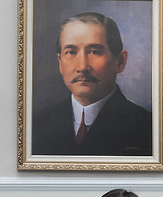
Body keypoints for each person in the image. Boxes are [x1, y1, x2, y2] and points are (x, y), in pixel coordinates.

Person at [32, 12, 153, 157]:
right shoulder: (36, 125)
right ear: (60, 63)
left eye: (94, 52)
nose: (82, 67)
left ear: (120, 61)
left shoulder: (147, 127)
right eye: (71, 52)